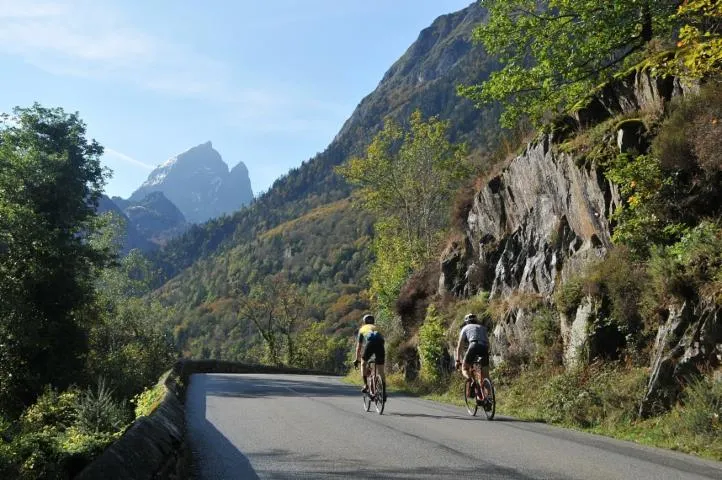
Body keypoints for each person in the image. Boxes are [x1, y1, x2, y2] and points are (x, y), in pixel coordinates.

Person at [455, 313, 490, 400]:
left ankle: (471, 380)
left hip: (473, 346)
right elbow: (488, 343)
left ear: (466, 322)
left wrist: (457, 360)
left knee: (465, 368)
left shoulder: (465, 328)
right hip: (484, 348)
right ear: (476, 320)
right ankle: (489, 397)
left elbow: (460, 346)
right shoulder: (482, 327)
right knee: (485, 376)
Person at [353, 313, 386, 399]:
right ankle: (384, 392)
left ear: (364, 322)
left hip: (371, 343)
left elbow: (358, 347)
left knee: (363, 362)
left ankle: (365, 385)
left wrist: (357, 359)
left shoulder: (362, 329)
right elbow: (382, 340)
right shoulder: (377, 327)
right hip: (380, 344)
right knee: (381, 370)